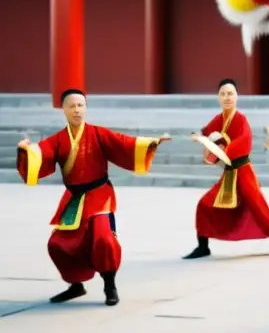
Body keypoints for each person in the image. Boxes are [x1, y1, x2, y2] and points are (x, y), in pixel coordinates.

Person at [15, 89, 170, 306]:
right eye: (72, 106)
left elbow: (124, 143)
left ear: (86, 108)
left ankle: (110, 284)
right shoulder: (58, 140)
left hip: (100, 196)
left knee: (104, 239)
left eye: (80, 105)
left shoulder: (98, 134)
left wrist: (151, 143)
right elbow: (42, 153)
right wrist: (26, 151)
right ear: (64, 110)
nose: (77, 110)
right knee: (58, 244)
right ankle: (76, 285)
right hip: (74, 198)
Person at [183, 78, 269, 261]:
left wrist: (223, 148)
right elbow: (206, 131)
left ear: (237, 96)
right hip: (229, 173)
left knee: (258, 206)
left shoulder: (241, 119)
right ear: (218, 97)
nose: (227, 97)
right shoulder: (219, 119)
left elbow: (244, 141)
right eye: (223, 94)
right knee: (205, 204)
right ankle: (203, 246)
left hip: (243, 171)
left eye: (230, 93)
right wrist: (200, 138)